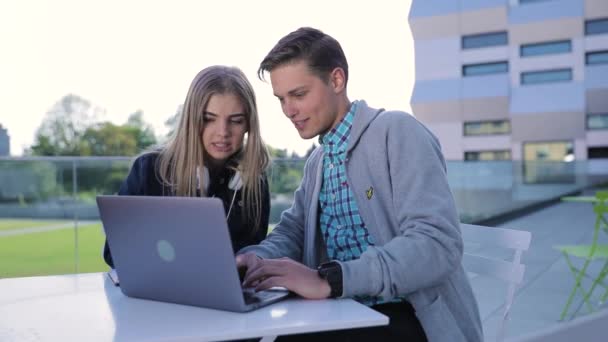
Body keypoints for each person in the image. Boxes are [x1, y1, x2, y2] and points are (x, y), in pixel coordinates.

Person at [236, 27, 483, 342]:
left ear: (337, 80)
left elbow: (437, 244)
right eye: (281, 99)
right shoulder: (318, 162)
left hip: (410, 315)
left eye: (298, 95)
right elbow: (293, 232)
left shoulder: (398, 132)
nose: (288, 111)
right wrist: (257, 258)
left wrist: (332, 280)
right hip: (343, 310)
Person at [103, 65, 271, 268]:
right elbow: (114, 253)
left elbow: (254, 253)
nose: (223, 132)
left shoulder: (254, 181)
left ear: (249, 125)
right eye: (208, 119)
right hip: (157, 293)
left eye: (236, 121)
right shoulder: (148, 170)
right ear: (191, 120)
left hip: (222, 293)